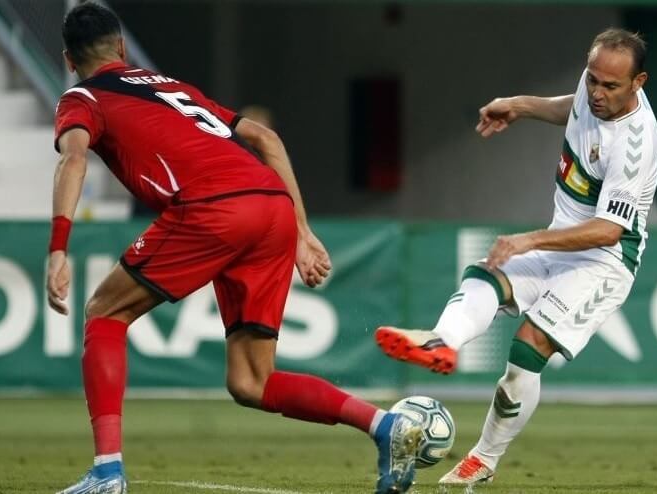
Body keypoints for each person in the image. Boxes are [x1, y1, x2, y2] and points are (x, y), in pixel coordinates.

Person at [47, 4, 421, 494]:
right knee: (251, 382)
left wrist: (58, 248)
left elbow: (73, 160)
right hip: (271, 208)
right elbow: (264, 137)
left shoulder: (81, 97)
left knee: (104, 312)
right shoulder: (170, 87)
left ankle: (107, 472)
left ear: (69, 61)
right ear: (120, 48)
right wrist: (302, 232)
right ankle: (385, 427)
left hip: (212, 208)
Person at [375, 28, 657, 485]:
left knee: (528, 346)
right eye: (592, 79)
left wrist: (529, 240)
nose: (597, 93)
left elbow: (609, 229)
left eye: (610, 86)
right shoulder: (594, 94)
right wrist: (520, 105)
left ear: (639, 82)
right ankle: (440, 340)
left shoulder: (637, 144)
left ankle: (483, 459)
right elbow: (574, 107)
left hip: (603, 261)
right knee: (488, 274)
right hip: (561, 237)